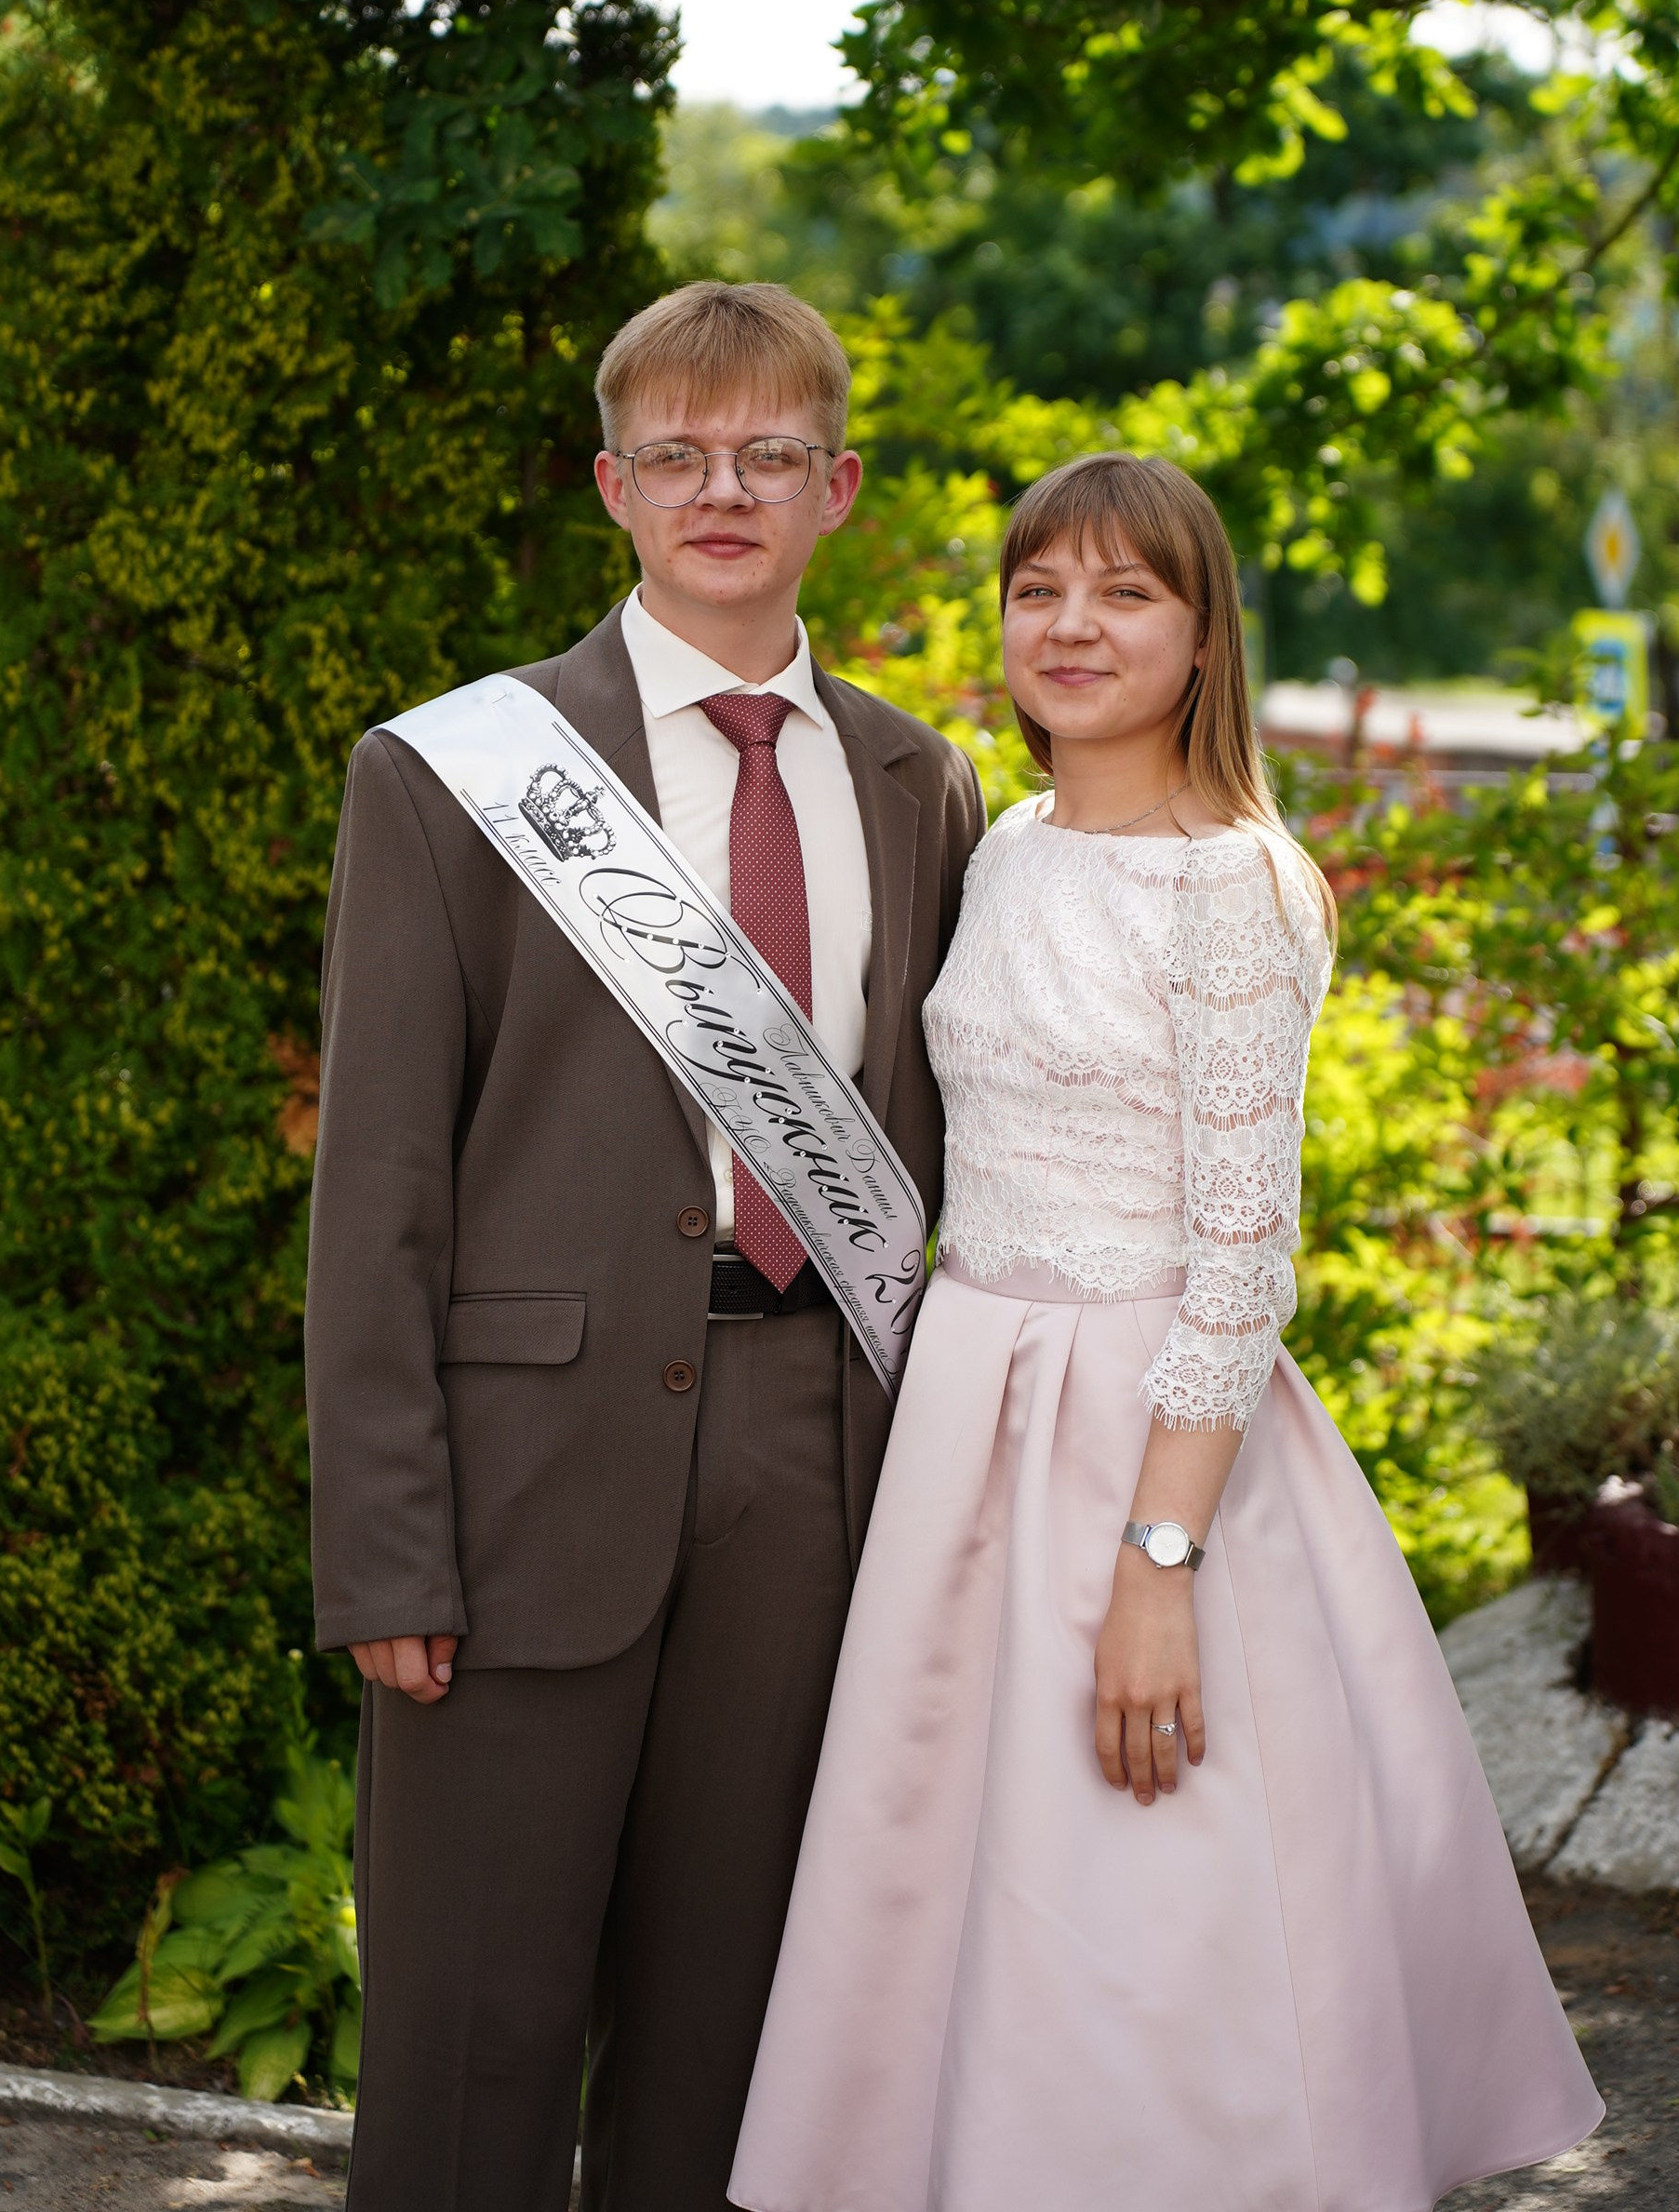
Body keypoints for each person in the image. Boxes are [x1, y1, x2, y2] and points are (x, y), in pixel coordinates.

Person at [731, 451, 1603, 2212]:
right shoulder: (1012, 843)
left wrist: (1156, 1563)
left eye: (1127, 593)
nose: (1074, 626)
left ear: (1203, 637)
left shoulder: (1236, 890)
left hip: (1150, 1436)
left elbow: (1239, 1259)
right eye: (1041, 587)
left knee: (1147, 1898)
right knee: (954, 1883)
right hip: (973, 1415)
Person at [303, 280, 986, 2212]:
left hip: (809, 1463)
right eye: (677, 453)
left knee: (737, 2032)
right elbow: (379, 1197)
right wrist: (383, 1543)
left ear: (838, 487)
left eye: (769, 455)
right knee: (467, 2036)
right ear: (611, 482)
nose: (722, 490)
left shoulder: (911, 781)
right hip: (521, 1481)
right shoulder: (451, 774)